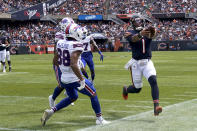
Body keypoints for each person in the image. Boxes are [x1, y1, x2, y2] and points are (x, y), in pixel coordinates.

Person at [41, 24, 109, 126]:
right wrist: (81, 79)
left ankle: (52, 111)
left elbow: (55, 61)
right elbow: (73, 64)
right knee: (93, 94)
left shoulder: (60, 42)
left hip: (64, 78)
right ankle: (99, 119)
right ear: (75, 33)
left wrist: (64, 69)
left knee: (73, 97)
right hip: (74, 78)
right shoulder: (77, 44)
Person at [122, 14, 162, 116]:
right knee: (137, 89)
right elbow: (134, 39)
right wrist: (141, 34)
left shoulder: (147, 31)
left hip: (147, 62)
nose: (138, 23)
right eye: (136, 21)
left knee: (153, 80)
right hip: (136, 64)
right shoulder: (129, 32)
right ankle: (126, 89)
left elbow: (153, 35)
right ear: (132, 23)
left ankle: (156, 107)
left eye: (139, 21)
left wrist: (153, 31)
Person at [48, 17, 75, 107]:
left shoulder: (72, 33)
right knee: (62, 84)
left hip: (68, 62)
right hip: (60, 62)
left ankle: (69, 95)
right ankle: (52, 97)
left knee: (72, 80)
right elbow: (57, 50)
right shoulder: (59, 34)